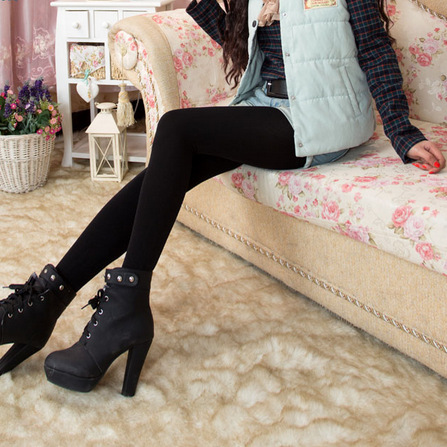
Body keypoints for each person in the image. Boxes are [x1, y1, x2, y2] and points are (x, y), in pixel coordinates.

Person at [0, 0, 445, 397]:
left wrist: (402, 134)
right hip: (265, 109)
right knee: (166, 167)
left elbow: (374, 49)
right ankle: (49, 296)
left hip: (321, 121)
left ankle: (121, 306)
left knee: (176, 129)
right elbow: (247, 52)